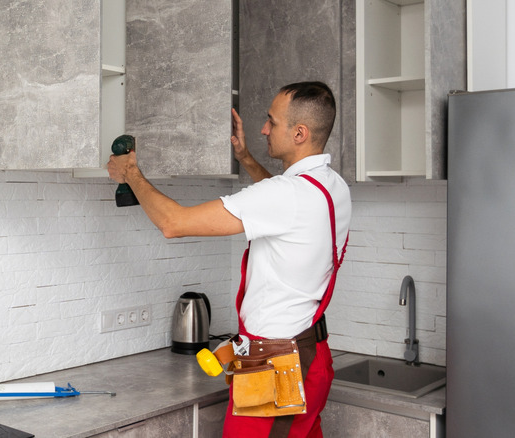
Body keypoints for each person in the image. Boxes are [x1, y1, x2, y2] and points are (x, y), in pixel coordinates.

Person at [107, 81, 351, 437]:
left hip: (276, 371)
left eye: (272, 121)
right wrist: (247, 160)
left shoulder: (284, 196)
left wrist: (130, 172)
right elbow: (287, 204)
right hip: (313, 358)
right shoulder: (331, 186)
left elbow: (173, 223)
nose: (264, 128)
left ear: (299, 133)